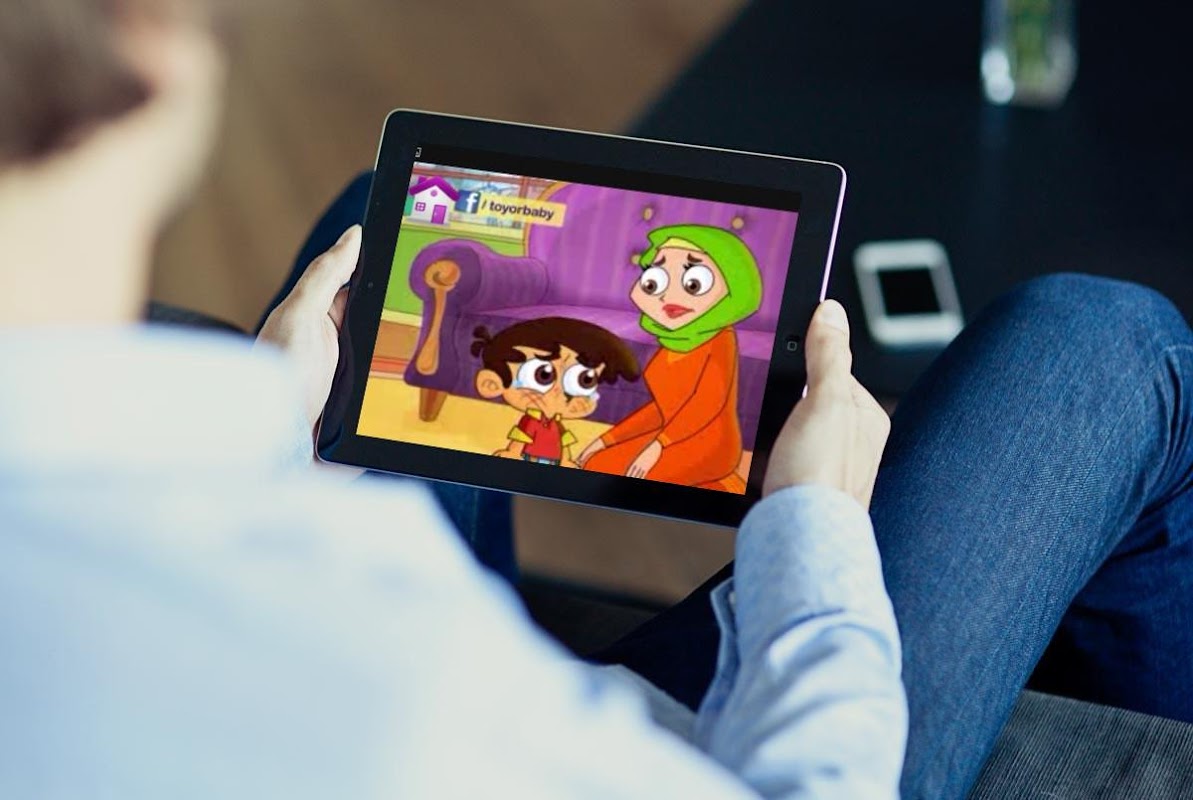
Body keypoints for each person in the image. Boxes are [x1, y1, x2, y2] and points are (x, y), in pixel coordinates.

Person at [3, 4, 1193, 800]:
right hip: (720, 741)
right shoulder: (403, 693)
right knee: (1103, 340)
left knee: (378, 221)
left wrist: (274, 437)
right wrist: (817, 526)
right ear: (159, 47)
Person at [579, 224, 761, 491]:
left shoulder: (720, 338)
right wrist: (607, 440)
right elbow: (663, 409)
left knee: (621, 482)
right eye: (654, 283)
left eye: (694, 284)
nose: (668, 297)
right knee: (597, 465)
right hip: (672, 434)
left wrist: (657, 446)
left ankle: (721, 485)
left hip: (712, 443)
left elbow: (705, 405)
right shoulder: (674, 341)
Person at [470, 317, 640, 467]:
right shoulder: (532, 421)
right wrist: (513, 453)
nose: (559, 392)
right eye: (543, 375)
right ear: (492, 383)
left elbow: (563, 442)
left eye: (585, 380)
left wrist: (565, 461)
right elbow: (521, 439)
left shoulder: (556, 423)